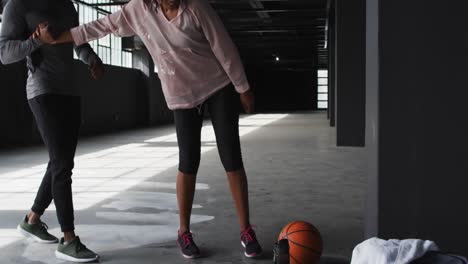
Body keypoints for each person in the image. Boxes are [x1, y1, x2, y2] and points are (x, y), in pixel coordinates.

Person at [49, 0, 263, 259]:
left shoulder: (196, 8)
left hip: (217, 86)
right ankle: (184, 231)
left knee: (231, 156)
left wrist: (243, 88)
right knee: (188, 162)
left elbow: (224, 48)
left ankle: (246, 230)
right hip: (181, 93)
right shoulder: (138, 10)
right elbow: (101, 26)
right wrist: (58, 38)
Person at [0, 0, 105, 262]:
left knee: (61, 162)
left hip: (70, 91)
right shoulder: (18, 5)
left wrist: (91, 58)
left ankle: (32, 221)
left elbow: (77, 41)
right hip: (42, 89)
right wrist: (37, 40)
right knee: (61, 165)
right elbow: (4, 53)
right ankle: (68, 240)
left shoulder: (67, 5)